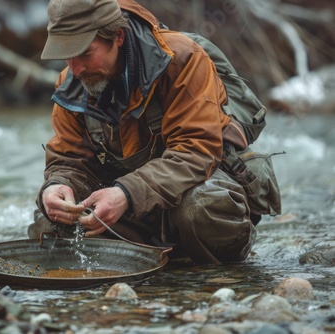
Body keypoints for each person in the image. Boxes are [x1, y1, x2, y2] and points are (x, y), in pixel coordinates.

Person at [28, 0, 275, 264]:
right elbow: (69, 160)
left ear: (118, 37)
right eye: (67, 55)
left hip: (191, 196)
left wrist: (126, 194)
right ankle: (142, 261)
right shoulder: (72, 82)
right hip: (130, 211)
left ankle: (209, 271)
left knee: (200, 206)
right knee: (50, 222)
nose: (75, 69)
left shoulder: (182, 60)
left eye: (85, 54)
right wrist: (56, 187)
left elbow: (196, 150)